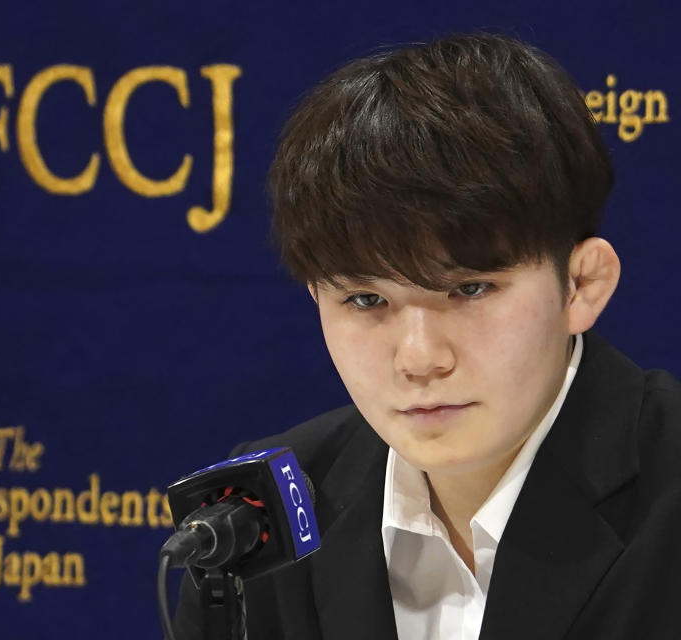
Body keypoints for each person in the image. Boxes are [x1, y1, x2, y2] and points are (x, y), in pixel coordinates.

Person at [173, 32, 681, 639]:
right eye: (366, 300)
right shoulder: (262, 516)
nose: (419, 359)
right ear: (315, 298)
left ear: (582, 284)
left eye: (468, 291)